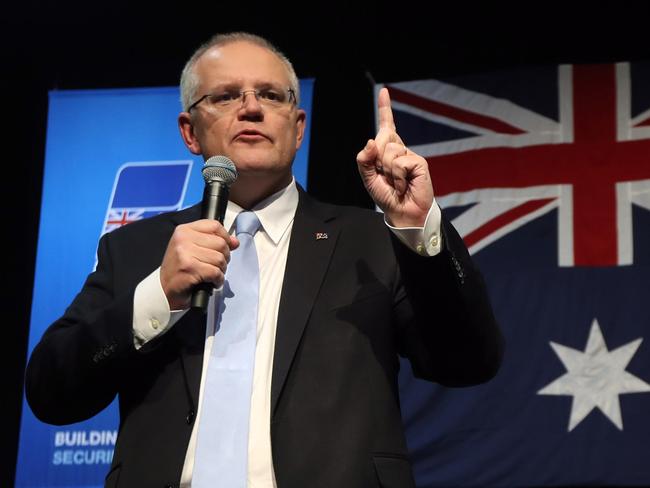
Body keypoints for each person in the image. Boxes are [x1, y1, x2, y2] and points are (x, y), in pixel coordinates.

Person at [25, 32, 504, 488]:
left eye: (271, 96)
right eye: (226, 96)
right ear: (190, 133)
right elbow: (50, 392)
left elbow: (468, 362)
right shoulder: (136, 249)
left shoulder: (370, 243)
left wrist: (419, 227)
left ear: (298, 129)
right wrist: (159, 294)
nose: (251, 107)